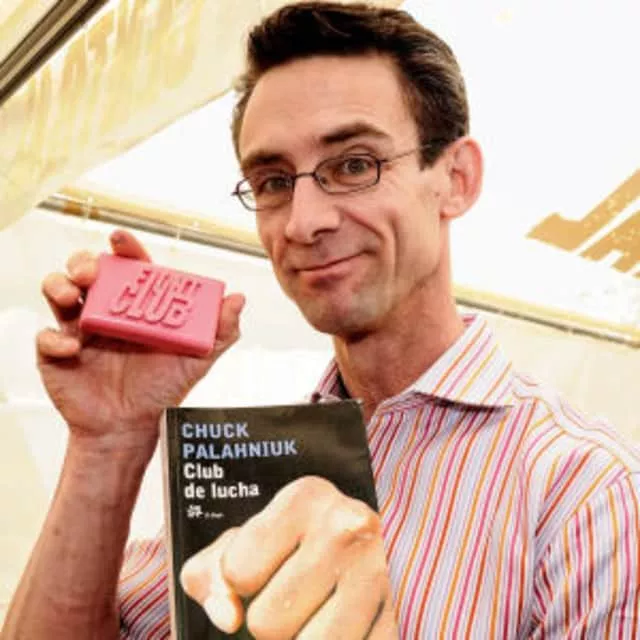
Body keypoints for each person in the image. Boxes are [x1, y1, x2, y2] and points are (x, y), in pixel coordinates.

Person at [3, 2, 639, 638]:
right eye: (273, 181)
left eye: (354, 165)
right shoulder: (248, 466)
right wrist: (108, 441)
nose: (304, 222)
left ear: (456, 179)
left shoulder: (585, 492)